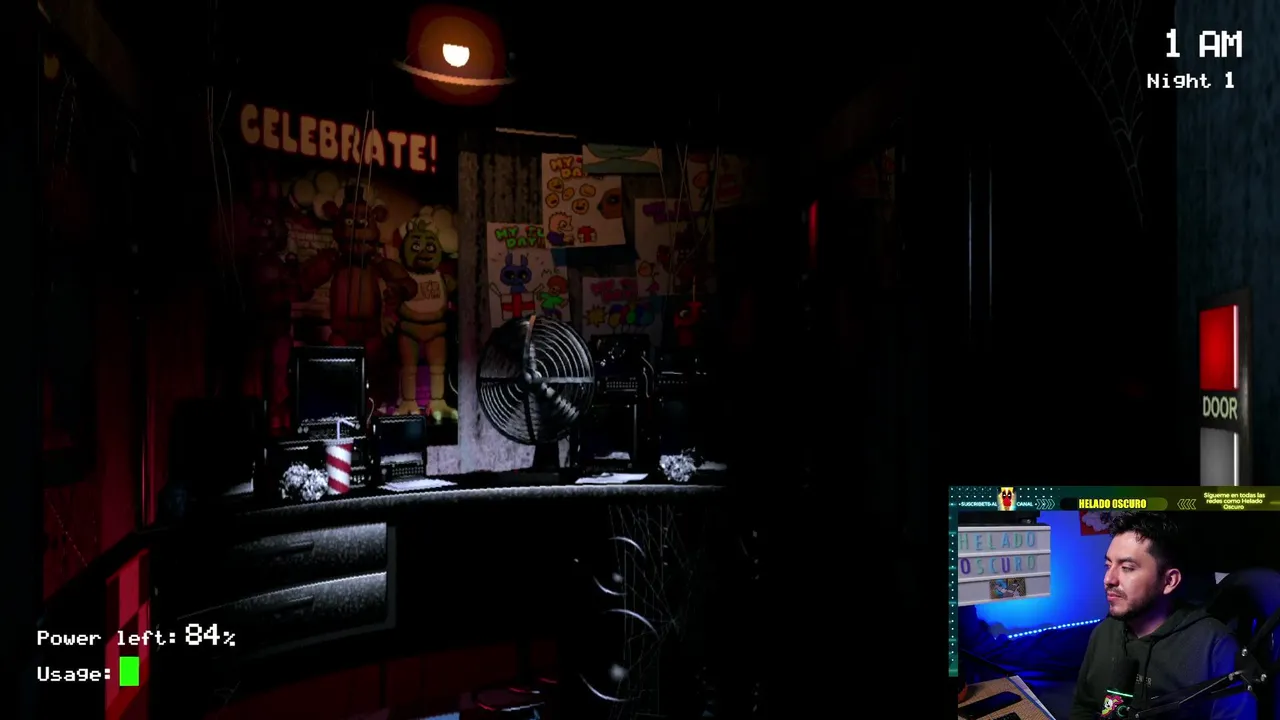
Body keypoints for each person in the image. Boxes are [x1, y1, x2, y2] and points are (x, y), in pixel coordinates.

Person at [1069, 512, 1256, 720]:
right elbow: (1083, 707)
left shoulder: (1215, 648)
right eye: (1108, 565)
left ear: (1169, 581)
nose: (1108, 579)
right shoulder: (1103, 632)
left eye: (1127, 568)